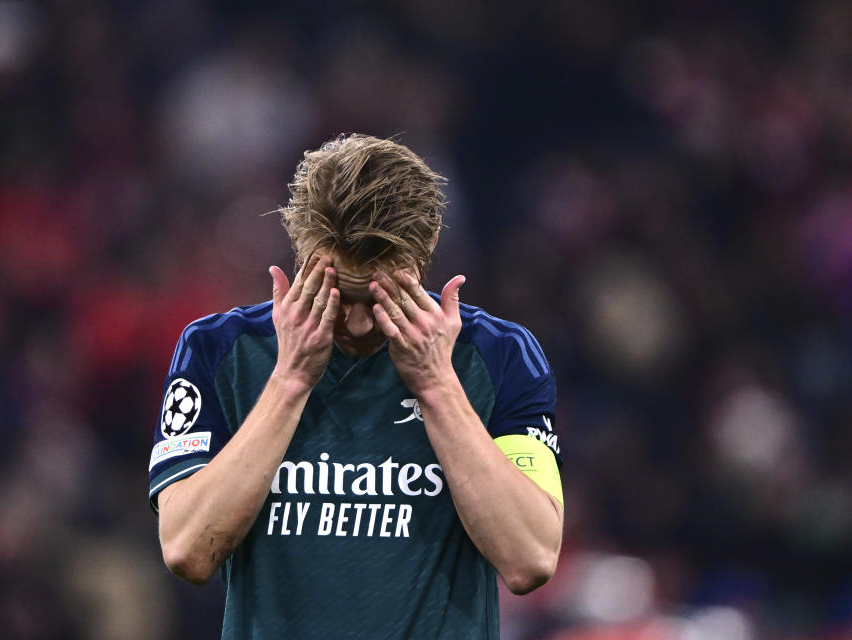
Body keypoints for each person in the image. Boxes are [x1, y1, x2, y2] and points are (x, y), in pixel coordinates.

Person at [148, 134, 564, 639]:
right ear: (301, 256)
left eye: (381, 295)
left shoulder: (499, 356)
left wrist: (436, 385)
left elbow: (531, 559)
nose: (361, 323)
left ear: (426, 253)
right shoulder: (220, 351)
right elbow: (187, 549)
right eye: (340, 295)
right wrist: (290, 379)